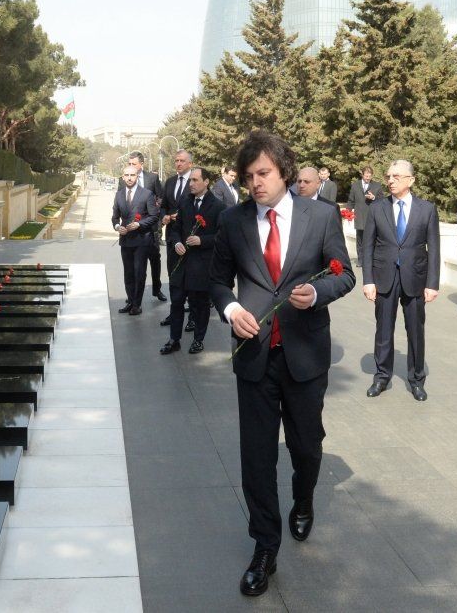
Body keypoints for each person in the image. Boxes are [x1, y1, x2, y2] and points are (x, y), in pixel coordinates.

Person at [209, 130, 354, 597]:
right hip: (254, 358)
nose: (256, 182)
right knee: (256, 457)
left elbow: (345, 273)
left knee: (306, 446)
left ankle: (305, 496)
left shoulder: (321, 216)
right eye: (249, 175)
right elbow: (217, 283)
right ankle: (264, 548)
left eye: (264, 173)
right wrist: (232, 311)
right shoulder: (232, 221)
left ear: (285, 172)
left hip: (306, 357)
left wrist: (317, 293)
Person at [363, 160, 440, 402]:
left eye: (396, 176)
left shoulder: (426, 209)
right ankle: (381, 377)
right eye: (388, 176)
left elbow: (434, 249)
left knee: (415, 331)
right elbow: (367, 247)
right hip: (384, 277)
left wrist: (432, 283)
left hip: (415, 278)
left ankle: (417, 379)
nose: (391, 180)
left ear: (411, 180)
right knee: (383, 330)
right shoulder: (377, 208)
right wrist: (368, 280)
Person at [162, 166, 222, 355]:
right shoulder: (184, 202)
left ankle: (198, 339)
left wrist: (202, 240)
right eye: (190, 180)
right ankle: (174, 339)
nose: (192, 184)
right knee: (177, 301)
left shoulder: (218, 206)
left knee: (199, 305)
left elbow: (222, 237)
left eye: (196, 180)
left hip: (202, 265)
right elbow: (175, 229)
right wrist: (177, 242)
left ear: (206, 182)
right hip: (181, 263)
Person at [113, 164, 159, 315]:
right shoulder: (119, 194)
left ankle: (137, 305)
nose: (129, 178)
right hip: (125, 240)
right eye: (126, 175)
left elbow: (154, 216)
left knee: (139, 272)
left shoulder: (147, 194)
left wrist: (139, 224)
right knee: (128, 273)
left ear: (137, 176)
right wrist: (117, 226)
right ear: (123, 177)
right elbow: (115, 217)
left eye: (132, 175)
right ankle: (130, 301)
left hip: (142, 240)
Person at [122, 152, 165, 301]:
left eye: (134, 164)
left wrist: (157, 209)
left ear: (141, 164)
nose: (131, 166)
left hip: (151, 228)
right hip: (131, 231)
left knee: (155, 260)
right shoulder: (125, 179)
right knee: (135, 266)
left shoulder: (152, 178)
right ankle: (133, 295)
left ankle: (157, 289)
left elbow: (160, 196)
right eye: (129, 163)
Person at [159, 150, 196, 328]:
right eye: (176, 161)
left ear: (190, 164)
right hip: (172, 236)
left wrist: (179, 216)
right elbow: (163, 206)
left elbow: (198, 208)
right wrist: (164, 216)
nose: (178, 164)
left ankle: (192, 317)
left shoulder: (195, 182)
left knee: (189, 276)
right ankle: (175, 313)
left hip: (189, 236)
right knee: (173, 274)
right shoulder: (170, 182)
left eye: (182, 161)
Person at [348, 165, 383, 266]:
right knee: (360, 240)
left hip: (372, 217)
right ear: (362, 175)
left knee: (372, 239)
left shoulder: (377, 186)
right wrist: (348, 213)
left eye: (370, 176)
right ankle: (360, 260)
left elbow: (383, 201)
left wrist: (374, 198)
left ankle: (371, 260)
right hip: (359, 216)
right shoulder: (355, 185)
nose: (368, 178)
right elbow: (351, 201)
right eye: (366, 176)